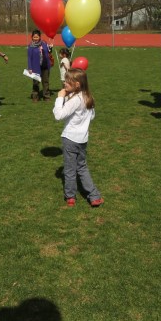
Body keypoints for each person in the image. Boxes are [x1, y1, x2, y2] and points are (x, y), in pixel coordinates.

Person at [53, 68, 103, 208]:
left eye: (67, 82)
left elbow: (58, 115)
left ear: (77, 84)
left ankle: (70, 196)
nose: (64, 83)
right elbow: (91, 116)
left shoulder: (74, 100)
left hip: (70, 138)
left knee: (70, 169)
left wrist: (60, 98)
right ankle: (94, 196)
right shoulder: (88, 97)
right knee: (82, 167)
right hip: (83, 139)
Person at [26, 29, 53, 101]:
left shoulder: (44, 44)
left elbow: (49, 52)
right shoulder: (30, 46)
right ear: (32, 37)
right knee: (36, 83)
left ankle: (46, 96)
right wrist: (30, 68)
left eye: (37, 37)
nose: (35, 38)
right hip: (35, 67)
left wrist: (50, 48)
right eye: (34, 37)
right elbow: (29, 58)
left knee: (45, 82)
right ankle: (35, 96)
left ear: (40, 37)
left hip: (45, 66)